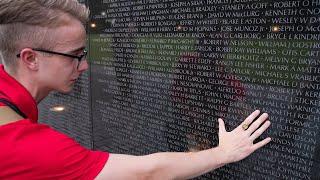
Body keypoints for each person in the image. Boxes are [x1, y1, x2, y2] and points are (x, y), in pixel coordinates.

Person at [0, 0, 271, 179]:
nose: (84, 66)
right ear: (30, 58)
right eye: (75, 55)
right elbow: (146, 173)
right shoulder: (29, 148)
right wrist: (224, 153)